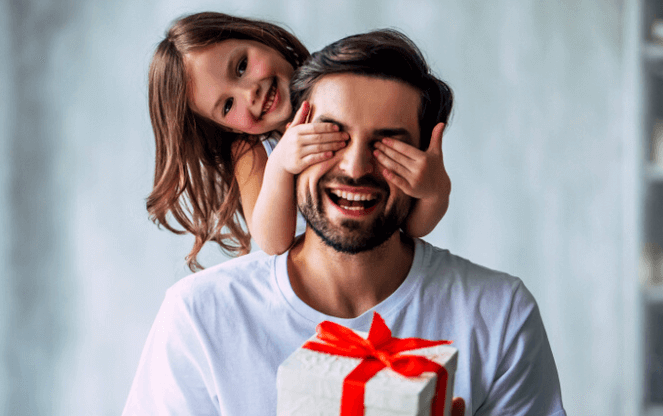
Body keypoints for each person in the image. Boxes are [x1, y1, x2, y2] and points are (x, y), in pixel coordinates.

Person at [114, 29, 570, 416]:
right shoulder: (203, 309)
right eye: (330, 137)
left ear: (425, 153)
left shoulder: (496, 309)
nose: (355, 167)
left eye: (387, 144)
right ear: (291, 141)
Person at [146, 12, 450, 270]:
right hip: (311, 284)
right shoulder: (253, 152)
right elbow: (273, 243)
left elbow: (411, 229)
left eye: (241, 67)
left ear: (262, 38)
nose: (248, 93)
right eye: (227, 106)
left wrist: (434, 191)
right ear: (221, 127)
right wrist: (280, 166)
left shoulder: (339, 89)